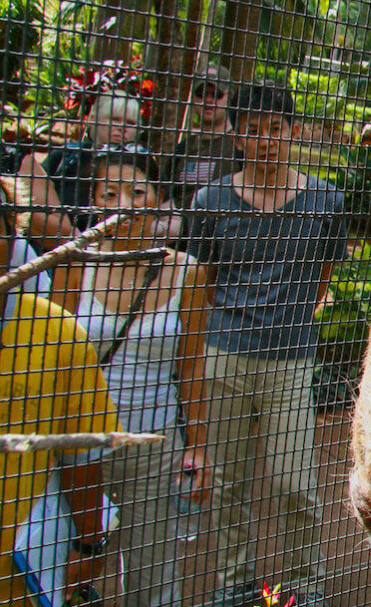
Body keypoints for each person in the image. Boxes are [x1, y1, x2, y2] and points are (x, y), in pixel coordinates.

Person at [185, 83, 346, 607]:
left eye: (275, 130)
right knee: (226, 484)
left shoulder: (326, 199)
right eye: (252, 131)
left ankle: (306, 587)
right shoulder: (209, 200)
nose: (265, 141)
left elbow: (322, 278)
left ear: (293, 132)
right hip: (224, 357)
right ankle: (235, 585)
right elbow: (201, 283)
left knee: (293, 481)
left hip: (292, 361)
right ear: (236, 135)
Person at [52, 147, 212, 607]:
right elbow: (50, 358)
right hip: (77, 446)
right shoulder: (73, 264)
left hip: (156, 446)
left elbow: (192, 367)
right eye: (110, 191)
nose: (124, 202)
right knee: (64, 567)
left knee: (154, 579)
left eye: (137, 191)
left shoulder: (188, 272)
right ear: (93, 202)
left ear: (158, 200)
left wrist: (197, 447)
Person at [0, 186, 120, 607]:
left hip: (20, 573)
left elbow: (81, 458)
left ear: (13, 239)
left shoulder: (57, 333)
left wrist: (88, 546)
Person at [43, 91, 145, 229]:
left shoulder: (144, 163)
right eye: (114, 119)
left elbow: (172, 220)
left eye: (130, 122)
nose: (122, 128)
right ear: (93, 118)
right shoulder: (66, 157)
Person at [167, 64, 241, 209]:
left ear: (230, 97)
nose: (208, 100)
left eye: (216, 94)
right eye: (201, 94)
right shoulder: (182, 149)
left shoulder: (239, 146)